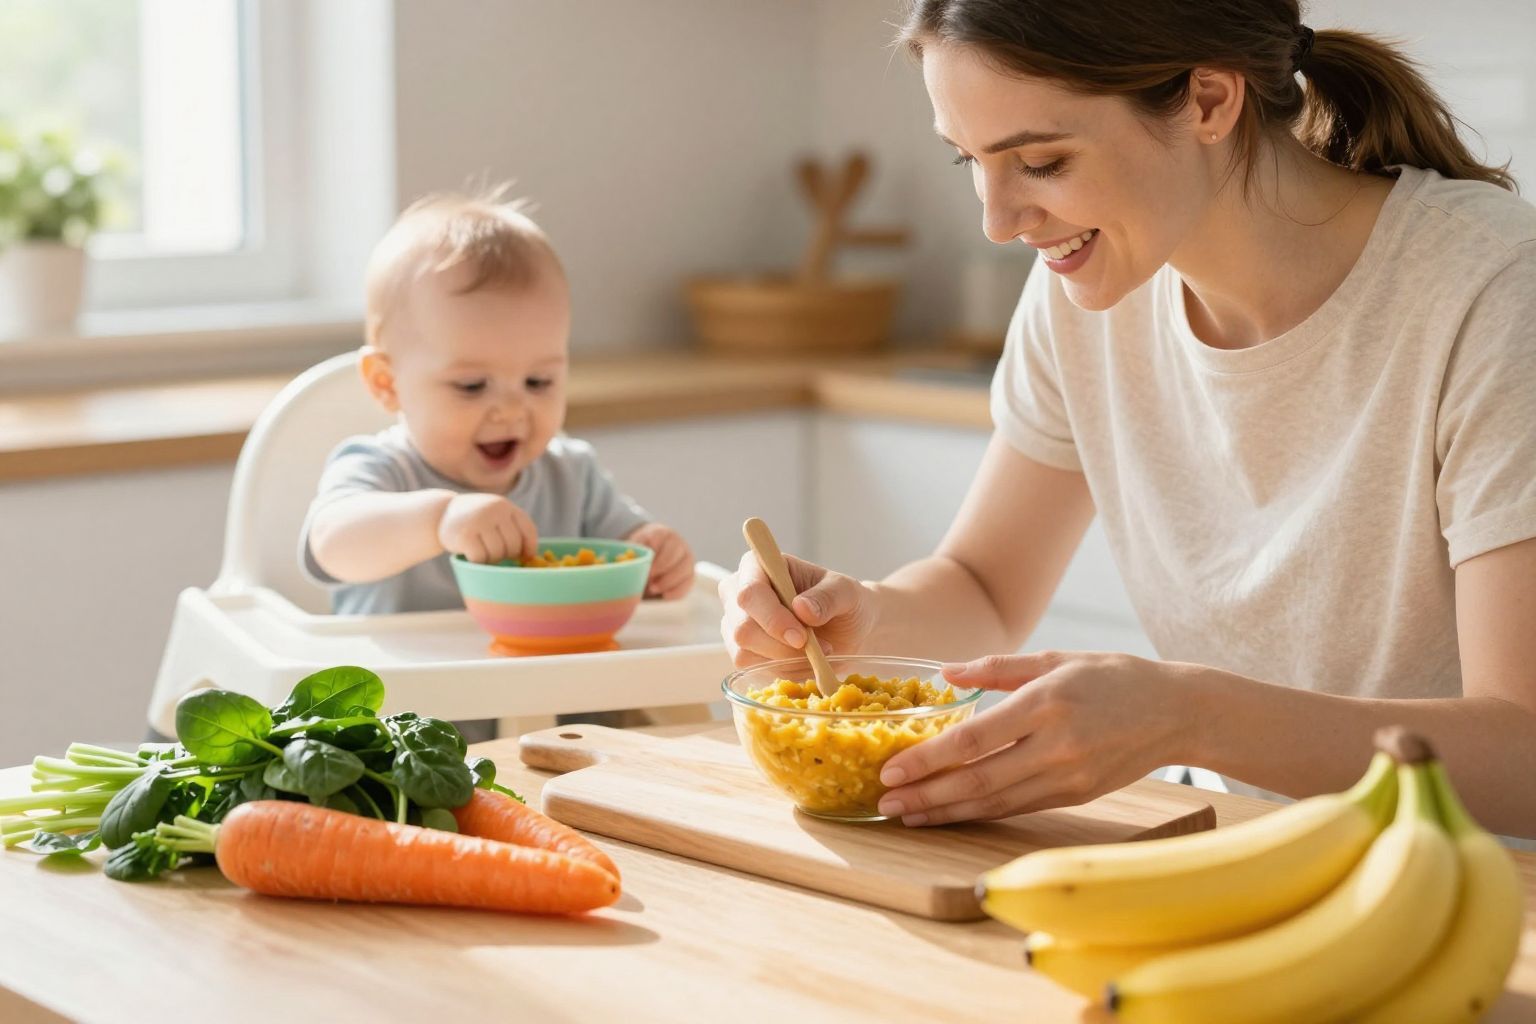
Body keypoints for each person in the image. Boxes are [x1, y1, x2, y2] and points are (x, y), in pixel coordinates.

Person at [719, 0, 1536, 839]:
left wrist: (1190, 715)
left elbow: (1526, 748)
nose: (998, 222)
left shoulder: (1495, 293)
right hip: (1228, 847)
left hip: (1476, 891)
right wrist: (865, 618)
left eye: (1040, 161)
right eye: (970, 158)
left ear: (1211, 101)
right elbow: (986, 584)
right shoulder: (1086, 288)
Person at [302, 190, 695, 740]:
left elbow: (627, 548)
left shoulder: (571, 474)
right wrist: (438, 519)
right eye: (471, 385)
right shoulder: (382, 471)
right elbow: (332, 544)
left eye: (539, 381)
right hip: (398, 739)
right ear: (387, 384)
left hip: (553, 733)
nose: (512, 408)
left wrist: (656, 556)